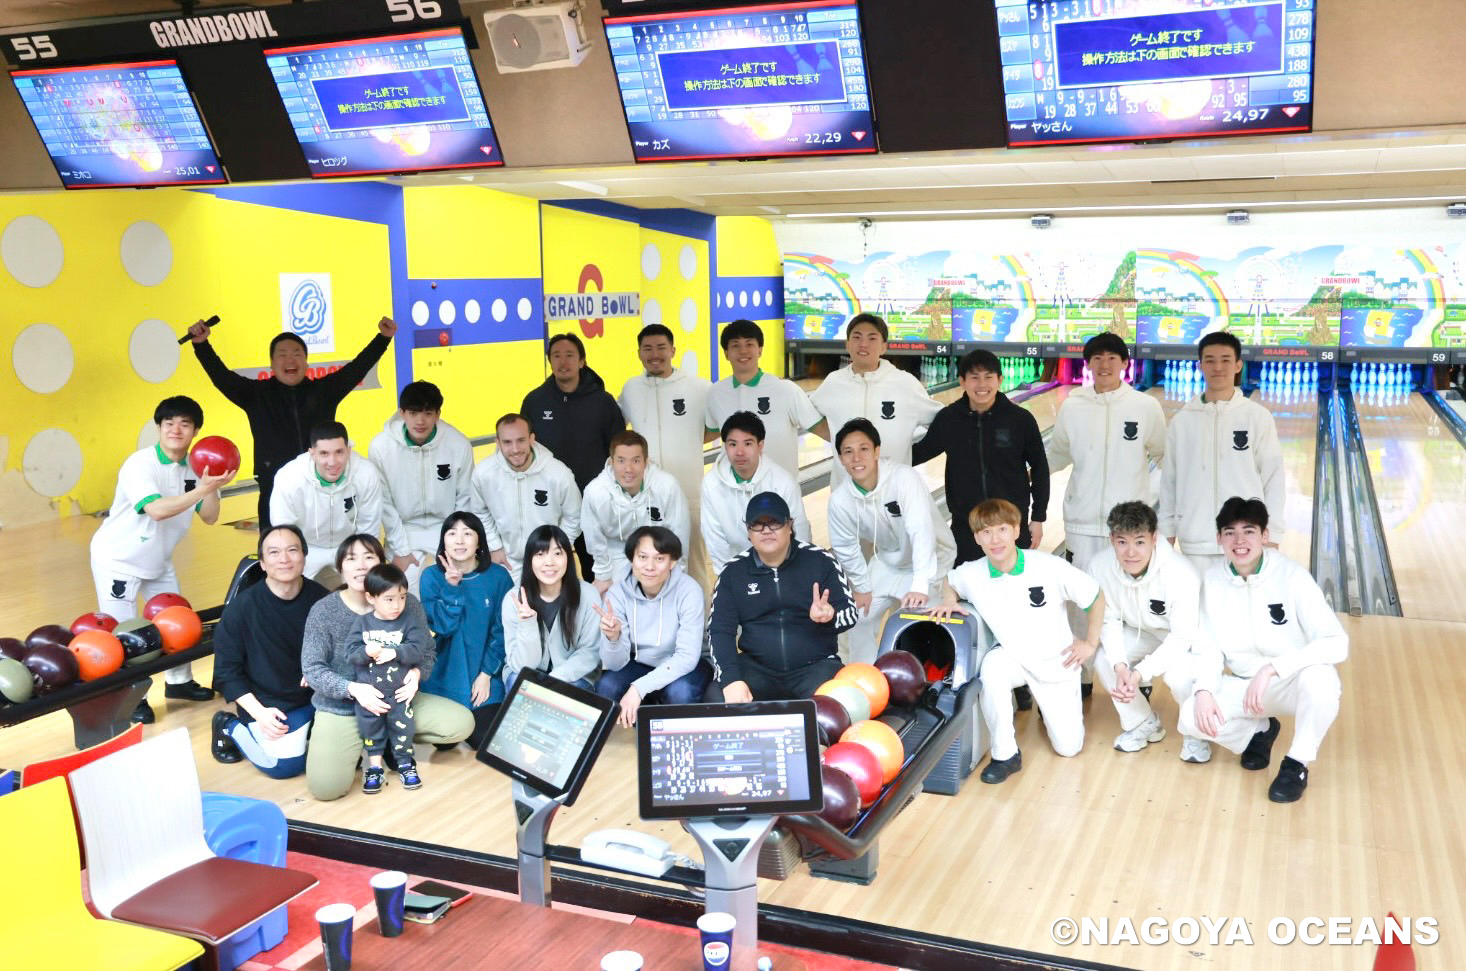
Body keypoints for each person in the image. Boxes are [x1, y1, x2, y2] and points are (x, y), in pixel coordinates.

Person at [1176, 498, 1347, 803]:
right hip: (1245, 687)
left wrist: (1273, 668)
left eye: (1249, 531)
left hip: (1289, 682)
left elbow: (1337, 642)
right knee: (1190, 716)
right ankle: (1259, 732)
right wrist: (1204, 690)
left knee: (1323, 681)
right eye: (1230, 533)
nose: (1239, 541)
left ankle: (1296, 764)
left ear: (1265, 535)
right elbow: (1208, 646)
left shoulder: (1292, 576)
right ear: (1219, 538)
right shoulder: (1212, 580)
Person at [933, 499, 1105, 784]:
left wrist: (1090, 643)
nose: (995, 539)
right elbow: (949, 582)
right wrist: (949, 601)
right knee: (992, 668)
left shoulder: (1048, 566)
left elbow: (1095, 596)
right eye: (986, 532)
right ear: (977, 538)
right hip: (1013, 658)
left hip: (1057, 661)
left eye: (1002, 529)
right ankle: (1006, 755)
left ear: (1016, 531)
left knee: (1069, 748)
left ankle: (1047, 709)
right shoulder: (972, 572)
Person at [90, 395, 235, 722]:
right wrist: (202, 490)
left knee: (178, 620)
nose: (176, 429)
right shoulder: (139, 464)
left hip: (158, 561)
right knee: (126, 632)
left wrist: (212, 485)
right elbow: (155, 510)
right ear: (159, 427)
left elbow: (210, 516)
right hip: (118, 560)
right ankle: (133, 697)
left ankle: (179, 683)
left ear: (195, 431)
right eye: (169, 423)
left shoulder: (198, 467)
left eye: (185, 424)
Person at [302, 534, 473, 801]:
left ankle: (392, 742)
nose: (361, 565)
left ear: (382, 564)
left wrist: (417, 674)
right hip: (343, 707)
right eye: (352, 559)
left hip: (398, 698)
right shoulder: (324, 611)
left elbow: (427, 651)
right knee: (326, 788)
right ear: (340, 568)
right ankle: (369, 746)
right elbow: (312, 668)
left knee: (461, 723)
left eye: (369, 557)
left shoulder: (406, 603)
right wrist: (354, 689)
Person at [187, 315, 396, 529]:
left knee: (326, 544)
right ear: (272, 363)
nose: (290, 360)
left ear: (306, 362)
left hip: (323, 488)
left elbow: (358, 368)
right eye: (282, 355)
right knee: (276, 547)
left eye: (297, 354)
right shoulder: (256, 395)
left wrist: (383, 338)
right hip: (273, 489)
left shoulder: (325, 391)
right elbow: (221, 376)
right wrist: (201, 345)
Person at [708, 492, 859, 702]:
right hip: (757, 670)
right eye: (757, 525)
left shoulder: (820, 560)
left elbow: (850, 614)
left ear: (790, 526)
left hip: (815, 667)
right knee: (716, 697)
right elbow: (720, 630)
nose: (766, 530)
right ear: (748, 532)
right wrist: (730, 679)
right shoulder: (733, 572)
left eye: (774, 523)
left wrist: (830, 616)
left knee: (840, 702)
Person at [827, 419, 956, 664]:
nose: (856, 458)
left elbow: (921, 532)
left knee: (919, 623)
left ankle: (924, 677)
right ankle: (863, 673)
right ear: (841, 459)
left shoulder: (903, 478)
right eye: (848, 452)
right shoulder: (840, 499)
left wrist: (920, 584)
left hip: (932, 558)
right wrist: (861, 586)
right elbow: (845, 547)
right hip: (888, 561)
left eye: (864, 449)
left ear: (877, 451)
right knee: (859, 616)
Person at [1159, 332, 1285, 575]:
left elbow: (1274, 479)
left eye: (1226, 360)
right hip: (1194, 540)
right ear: (1200, 366)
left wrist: (1273, 535)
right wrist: (1166, 536)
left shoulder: (1257, 417)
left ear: (1238, 365)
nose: (1218, 367)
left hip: (1244, 541)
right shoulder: (1182, 421)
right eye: (1210, 360)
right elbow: (1169, 484)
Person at [211, 524, 330, 778]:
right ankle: (228, 725)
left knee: (344, 753)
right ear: (263, 563)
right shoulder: (240, 610)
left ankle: (309, 732)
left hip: (317, 698)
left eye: (292, 550)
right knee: (283, 767)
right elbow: (226, 673)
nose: (284, 559)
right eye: (274, 553)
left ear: (304, 556)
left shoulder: (322, 600)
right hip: (270, 706)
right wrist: (260, 714)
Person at [1088, 501, 1205, 757]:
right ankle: (1143, 722)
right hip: (1142, 632)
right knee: (1105, 659)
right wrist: (1121, 666)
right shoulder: (1099, 566)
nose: (1131, 552)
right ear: (1111, 539)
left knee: (1179, 678)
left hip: (1184, 639)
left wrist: (1141, 672)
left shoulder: (1181, 573)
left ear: (1154, 538)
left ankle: (1196, 734)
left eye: (1139, 542)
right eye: (1122, 542)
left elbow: (1183, 635)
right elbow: (1108, 619)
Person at [913, 350, 1049, 565]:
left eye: (988, 377)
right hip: (966, 526)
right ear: (962, 381)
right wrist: (875, 454)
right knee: (965, 585)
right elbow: (920, 452)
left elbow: (1040, 468)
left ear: (1000, 380)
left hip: (1011, 525)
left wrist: (1038, 517)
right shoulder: (949, 419)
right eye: (974, 377)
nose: (982, 384)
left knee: (1014, 583)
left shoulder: (1020, 420)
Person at [1047, 333, 1166, 571]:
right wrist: (1023, 474)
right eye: (1098, 358)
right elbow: (1057, 454)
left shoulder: (1145, 406)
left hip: (1129, 526)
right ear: (1088, 364)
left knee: (1125, 591)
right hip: (1081, 522)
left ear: (1125, 363)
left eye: (1112, 358)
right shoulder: (1072, 406)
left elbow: (1165, 457)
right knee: (1081, 592)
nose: (1104, 365)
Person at [520, 333, 626, 577]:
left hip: (593, 499)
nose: (563, 361)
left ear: (582, 361)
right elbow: (525, 448)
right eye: (556, 356)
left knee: (596, 569)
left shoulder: (602, 401)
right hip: (549, 500)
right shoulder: (535, 401)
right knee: (550, 566)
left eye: (569, 355)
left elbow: (618, 449)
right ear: (549, 361)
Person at [618, 323, 714, 588]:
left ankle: (701, 613)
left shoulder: (699, 388)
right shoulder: (631, 389)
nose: (655, 354)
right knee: (648, 565)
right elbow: (618, 431)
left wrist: (692, 439)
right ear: (639, 353)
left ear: (673, 350)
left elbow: (718, 427)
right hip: (645, 497)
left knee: (693, 565)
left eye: (661, 347)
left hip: (689, 493)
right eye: (647, 348)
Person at [596, 526, 712, 727]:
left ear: (672, 562)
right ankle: (643, 732)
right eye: (642, 557)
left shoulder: (689, 590)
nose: (649, 566)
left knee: (681, 692)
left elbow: (687, 657)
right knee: (607, 686)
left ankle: (672, 735)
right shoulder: (617, 593)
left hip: (686, 662)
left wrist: (639, 688)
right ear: (632, 559)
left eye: (659, 559)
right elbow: (614, 664)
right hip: (639, 660)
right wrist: (613, 639)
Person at [809, 314, 942, 484]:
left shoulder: (906, 384)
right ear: (847, 344)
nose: (863, 344)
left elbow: (943, 421)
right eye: (857, 337)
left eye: (872, 338)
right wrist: (835, 437)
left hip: (894, 489)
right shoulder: (833, 382)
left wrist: (915, 453)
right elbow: (805, 415)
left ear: (884, 347)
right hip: (846, 490)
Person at [369, 380, 475, 592]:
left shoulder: (458, 444)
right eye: (413, 413)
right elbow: (385, 504)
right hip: (404, 529)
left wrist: (457, 540)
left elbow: (465, 498)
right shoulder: (381, 447)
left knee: (455, 586)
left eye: (428, 413)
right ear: (402, 413)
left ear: (437, 414)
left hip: (445, 526)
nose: (420, 421)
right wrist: (400, 549)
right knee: (403, 590)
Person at [420, 512, 514, 750]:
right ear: (444, 541)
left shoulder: (498, 577)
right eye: (452, 533)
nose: (459, 540)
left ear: (479, 540)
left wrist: (486, 675)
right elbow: (443, 627)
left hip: (484, 676)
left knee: (484, 741)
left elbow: (502, 632)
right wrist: (452, 587)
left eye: (467, 533)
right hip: (445, 678)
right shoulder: (431, 577)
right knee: (445, 743)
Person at [705, 320, 824, 480]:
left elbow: (821, 428)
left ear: (760, 350)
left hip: (779, 488)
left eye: (749, 344)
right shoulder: (716, 392)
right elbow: (710, 432)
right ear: (726, 353)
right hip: (733, 489)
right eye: (735, 345)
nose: (743, 351)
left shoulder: (786, 389)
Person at [269, 420, 385, 585]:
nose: (332, 462)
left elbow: (369, 528)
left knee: (368, 585)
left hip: (349, 544)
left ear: (349, 450)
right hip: (306, 546)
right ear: (312, 453)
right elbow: (284, 532)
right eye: (324, 453)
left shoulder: (366, 473)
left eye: (339, 452)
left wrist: (364, 562)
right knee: (287, 587)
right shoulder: (289, 477)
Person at [348, 564, 431, 794]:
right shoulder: (362, 623)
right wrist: (366, 652)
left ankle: (405, 764)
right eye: (389, 599)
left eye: (402, 597)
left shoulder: (410, 621)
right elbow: (350, 654)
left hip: (399, 693)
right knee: (371, 730)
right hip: (371, 695)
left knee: (403, 729)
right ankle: (374, 768)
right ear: (371, 598)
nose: (397, 605)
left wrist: (396, 652)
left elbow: (419, 649)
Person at [580, 430, 691, 595]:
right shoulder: (595, 492)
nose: (628, 469)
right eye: (621, 461)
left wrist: (677, 573)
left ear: (646, 462)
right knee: (610, 599)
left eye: (636, 460)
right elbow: (594, 537)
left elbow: (679, 532)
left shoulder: (667, 486)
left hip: (658, 551)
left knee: (669, 594)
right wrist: (603, 575)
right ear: (611, 462)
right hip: (616, 552)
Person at [471, 413, 581, 577]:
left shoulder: (559, 474)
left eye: (521, 440)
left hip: (548, 559)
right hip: (506, 559)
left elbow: (574, 517)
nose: (515, 449)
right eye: (507, 442)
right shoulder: (483, 473)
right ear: (498, 443)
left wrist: (556, 550)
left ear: (531, 439)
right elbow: (479, 512)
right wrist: (494, 547)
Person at [701, 412, 810, 571]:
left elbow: (800, 532)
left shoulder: (783, 482)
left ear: (760, 445)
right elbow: (715, 539)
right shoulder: (711, 484)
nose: (740, 452)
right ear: (725, 446)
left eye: (747, 444)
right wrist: (727, 576)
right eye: (732, 444)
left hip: (783, 566)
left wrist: (797, 573)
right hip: (739, 568)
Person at [502, 525, 604, 689]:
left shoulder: (588, 595)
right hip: (527, 672)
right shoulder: (514, 600)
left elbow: (590, 651)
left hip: (573, 675)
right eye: (540, 554)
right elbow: (522, 665)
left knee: (566, 694)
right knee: (518, 684)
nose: (549, 562)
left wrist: (554, 679)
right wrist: (527, 624)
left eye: (557, 553)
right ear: (529, 560)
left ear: (568, 558)